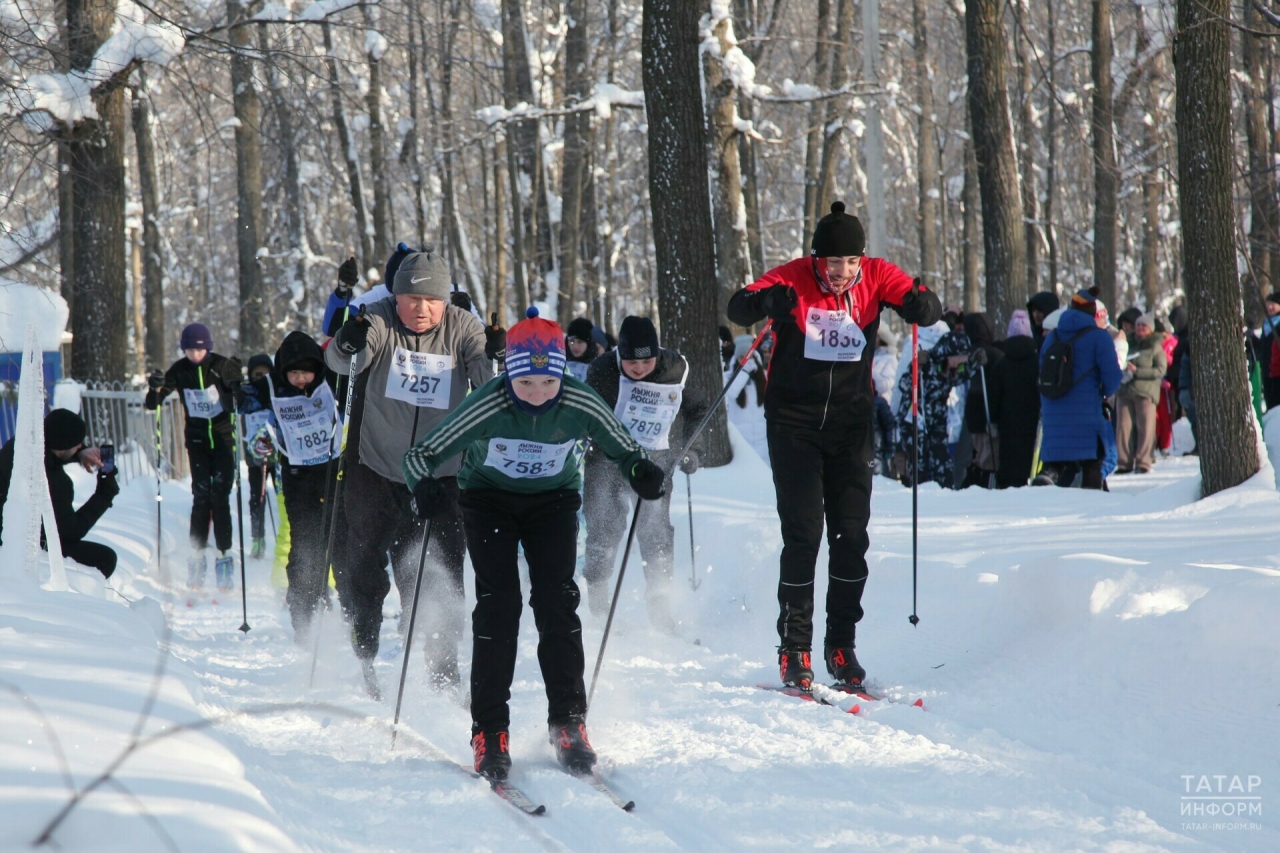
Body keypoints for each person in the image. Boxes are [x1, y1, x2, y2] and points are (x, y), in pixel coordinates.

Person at [403, 308, 662, 780]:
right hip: (487, 502)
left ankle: (568, 721)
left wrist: (640, 470)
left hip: (553, 504)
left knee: (557, 603)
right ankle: (489, 730)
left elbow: (624, 445)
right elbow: (421, 454)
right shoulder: (489, 403)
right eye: (526, 386)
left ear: (563, 375)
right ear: (510, 380)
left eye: (549, 385)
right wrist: (422, 485)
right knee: (499, 606)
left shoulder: (580, 401)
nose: (539, 396)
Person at [726, 200, 941, 690]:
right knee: (804, 535)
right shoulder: (795, 277)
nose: (841, 272)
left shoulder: (875, 276)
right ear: (816, 259)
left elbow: (923, 302)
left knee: (851, 536)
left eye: (849, 262)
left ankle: (840, 644)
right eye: (831, 262)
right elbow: (739, 305)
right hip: (794, 424)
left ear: (861, 260)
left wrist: (919, 305)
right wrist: (767, 304)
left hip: (850, 425)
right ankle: (794, 648)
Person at [324, 248, 501, 696]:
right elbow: (346, 362)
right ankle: (365, 651)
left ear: (446, 300)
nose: (420, 310)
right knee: (364, 566)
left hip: (439, 472)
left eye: (431, 301)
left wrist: (495, 356)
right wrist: (348, 342)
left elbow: (487, 378)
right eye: (410, 299)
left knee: (441, 569)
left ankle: (443, 671)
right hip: (376, 466)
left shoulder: (463, 326)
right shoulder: (379, 316)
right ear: (395, 296)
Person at [582, 316, 708, 630]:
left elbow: (697, 408)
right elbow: (582, 413)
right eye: (631, 362)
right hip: (607, 460)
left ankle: (661, 607)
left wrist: (693, 450)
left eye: (647, 361)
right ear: (618, 356)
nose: (639, 369)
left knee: (656, 532)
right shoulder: (601, 371)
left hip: (655, 461)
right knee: (603, 528)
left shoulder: (675, 369)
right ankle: (598, 606)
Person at [243, 331, 340, 642]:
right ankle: (303, 611)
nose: (300, 379)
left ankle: (337, 601)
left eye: (306, 371)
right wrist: (231, 386)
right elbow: (244, 400)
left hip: (332, 472)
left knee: (336, 539)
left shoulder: (330, 382)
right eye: (294, 372)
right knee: (304, 544)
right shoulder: (273, 386)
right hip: (296, 477)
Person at [145, 323, 243, 590]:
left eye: (198, 350)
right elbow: (154, 400)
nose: (194, 355)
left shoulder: (220, 366)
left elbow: (239, 396)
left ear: (207, 347)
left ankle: (224, 558)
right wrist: (155, 388)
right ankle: (197, 557)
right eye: (189, 350)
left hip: (223, 441)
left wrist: (236, 381)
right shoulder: (180, 370)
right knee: (201, 498)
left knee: (220, 499)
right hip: (198, 442)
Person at [0, 409, 120, 577]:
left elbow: (53, 452)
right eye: (77, 444)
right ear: (63, 446)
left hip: (12, 528)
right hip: (20, 545)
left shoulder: (19, 446)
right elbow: (69, 533)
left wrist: (80, 453)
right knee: (105, 558)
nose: (80, 445)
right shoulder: (53, 481)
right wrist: (104, 494)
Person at [1033, 291, 1124, 489]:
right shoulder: (1099, 338)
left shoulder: (1052, 337)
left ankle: (1045, 483)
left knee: (1056, 462)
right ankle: (1091, 500)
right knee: (1092, 462)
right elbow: (1112, 379)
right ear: (1092, 313)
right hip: (1087, 416)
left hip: (1053, 413)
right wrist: (1103, 393)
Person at [970, 312, 1041, 488]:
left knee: (1010, 465)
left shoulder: (1002, 365)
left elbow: (994, 397)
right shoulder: (1038, 362)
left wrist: (992, 420)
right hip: (1033, 421)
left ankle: (1008, 488)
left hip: (1008, 424)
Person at [897, 328, 971, 489]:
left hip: (937, 422)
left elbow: (959, 378)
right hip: (916, 421)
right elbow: (904, 385)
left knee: (942, 465)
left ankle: (944, 497)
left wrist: (974, 363)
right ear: (950, 352)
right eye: (959, 357)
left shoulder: (950, 368)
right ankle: (921, 499)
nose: (961, 362)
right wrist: (916, 367)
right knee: (920, 467)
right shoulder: (927, 362)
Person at [1114, 313, 1167, 474]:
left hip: (1146, 392)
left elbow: (1160, 370)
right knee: (1123, 427)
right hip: (1125, 390)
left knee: (1145, 427)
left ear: (1150, 329)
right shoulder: (1128, 344)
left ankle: (1143, 462)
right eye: (1138, 325)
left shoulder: (1155, 347)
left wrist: (1138, 371)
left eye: (1144, 326)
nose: (1140, 329)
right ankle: (1124, 462)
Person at [240, 353, 275, 559]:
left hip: (277, 457)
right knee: (257, 499)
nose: (261, 377)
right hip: (255, 458)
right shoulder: (247, 394)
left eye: (265, 374)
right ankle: (257, 538)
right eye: (257, 374)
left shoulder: (274, 391)